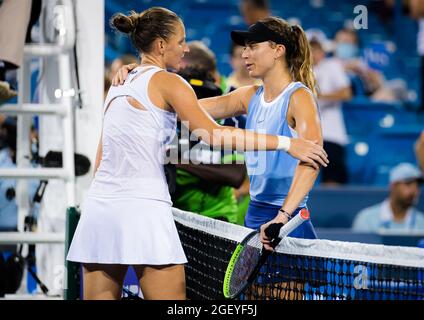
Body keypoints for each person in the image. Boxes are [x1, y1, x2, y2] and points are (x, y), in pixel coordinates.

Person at [68, 7, 328, 300]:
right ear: (162, 45)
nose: (244, 53)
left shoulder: (300, 96)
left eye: (252, 46)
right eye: (181, 41)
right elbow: (201, 123)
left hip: (285, 219)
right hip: (248, 215)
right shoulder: (246, 95)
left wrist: (283, 215)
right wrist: (285, 142)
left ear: (278, 50)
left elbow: (312, 159)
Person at [309, 36, 352, 184]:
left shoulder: (332, 65)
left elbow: (346, 93)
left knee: (332, 179)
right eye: (310, 48)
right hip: (306, 136)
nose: (313, 53)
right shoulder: (300, 71)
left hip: (331, 134)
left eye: (316, 49)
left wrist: (320, 96)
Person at [352, 163, 424, 232]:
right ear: (393, 186)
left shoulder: (422, 222)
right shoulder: (366, 219)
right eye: (408, 184)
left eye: (417, 185)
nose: (414, 190)